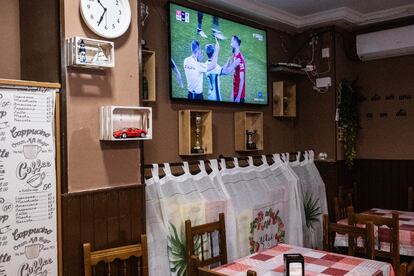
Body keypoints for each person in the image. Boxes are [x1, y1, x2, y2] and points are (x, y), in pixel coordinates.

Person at [222, 35, 246, 103]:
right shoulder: (234, 56)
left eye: (232, 41)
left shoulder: (240, 60)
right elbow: (234, 76)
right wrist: (232, 94)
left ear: (236, 43)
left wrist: (238, 97)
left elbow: (242, 80)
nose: (230, 43)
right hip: (235, 94)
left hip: (239, 97)